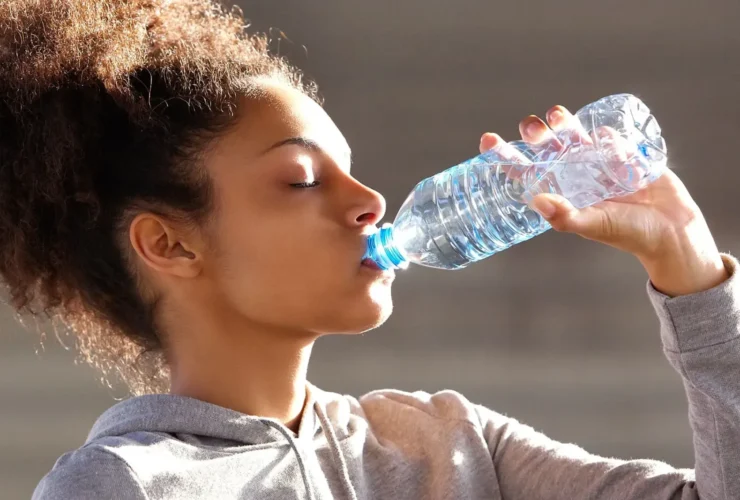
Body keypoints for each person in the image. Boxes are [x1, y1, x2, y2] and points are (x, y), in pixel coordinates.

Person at [2, 1, 736, 499]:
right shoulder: (122, 484)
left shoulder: (449, 445)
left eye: (351, 168)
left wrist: (692, 273)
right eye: (301, 179)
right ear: (169, 243)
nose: (370, 200)